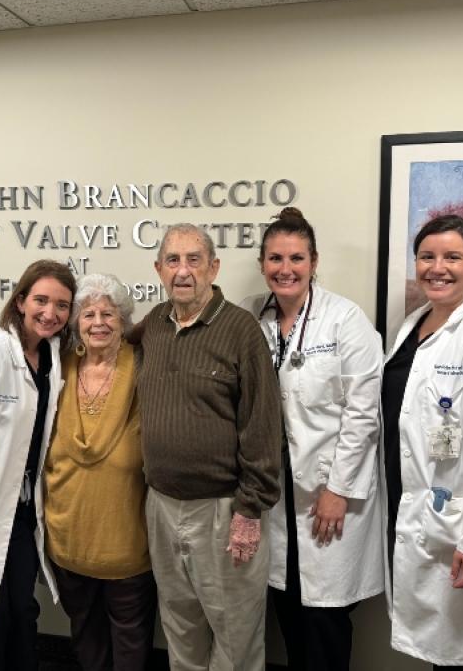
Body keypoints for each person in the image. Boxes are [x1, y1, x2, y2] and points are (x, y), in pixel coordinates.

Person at [132, 223, 282, 671]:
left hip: (223, 510)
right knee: (180, 627)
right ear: (158, 269)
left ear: (213, 267)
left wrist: (250, 510)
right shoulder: (153, 326)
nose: (183, 271)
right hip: (160, 504)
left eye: (194, 259)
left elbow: (262, 425)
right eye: (173, 261)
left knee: (235, 636)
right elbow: (107, 347)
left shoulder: (241, 331)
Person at [241, 207, 384, 671]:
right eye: (276, 259)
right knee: (288, 610)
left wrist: (338, 491)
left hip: (327, 492)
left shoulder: (346, 320)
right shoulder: (253, 321)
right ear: (263, 264)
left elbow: (363, 416)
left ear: (314, 262)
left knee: (325, 619)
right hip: (276, 494)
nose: (286, 269)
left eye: (297, 258)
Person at [44, 273, 156, 671]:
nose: (98, 322)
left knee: (130, 638)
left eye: (108, 313)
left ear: (123, 321)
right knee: (85, 632)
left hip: (126, 537)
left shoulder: (144, 367)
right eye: (88, 313)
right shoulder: (58, 368)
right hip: (68, 534)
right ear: (75, 322)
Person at [0, 259, 76, 669]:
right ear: (20, 301)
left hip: (23, 512)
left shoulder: (52, 356)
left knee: (21, 609)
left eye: (62, 305)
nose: (50, 313)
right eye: (41, 300)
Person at [382, 214, 463, 669]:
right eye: (427, 256)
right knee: (441, 651)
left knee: (459, 648)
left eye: (452, 256)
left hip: (459, 519)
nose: (437, 267)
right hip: (415, 505)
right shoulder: (412, 325)